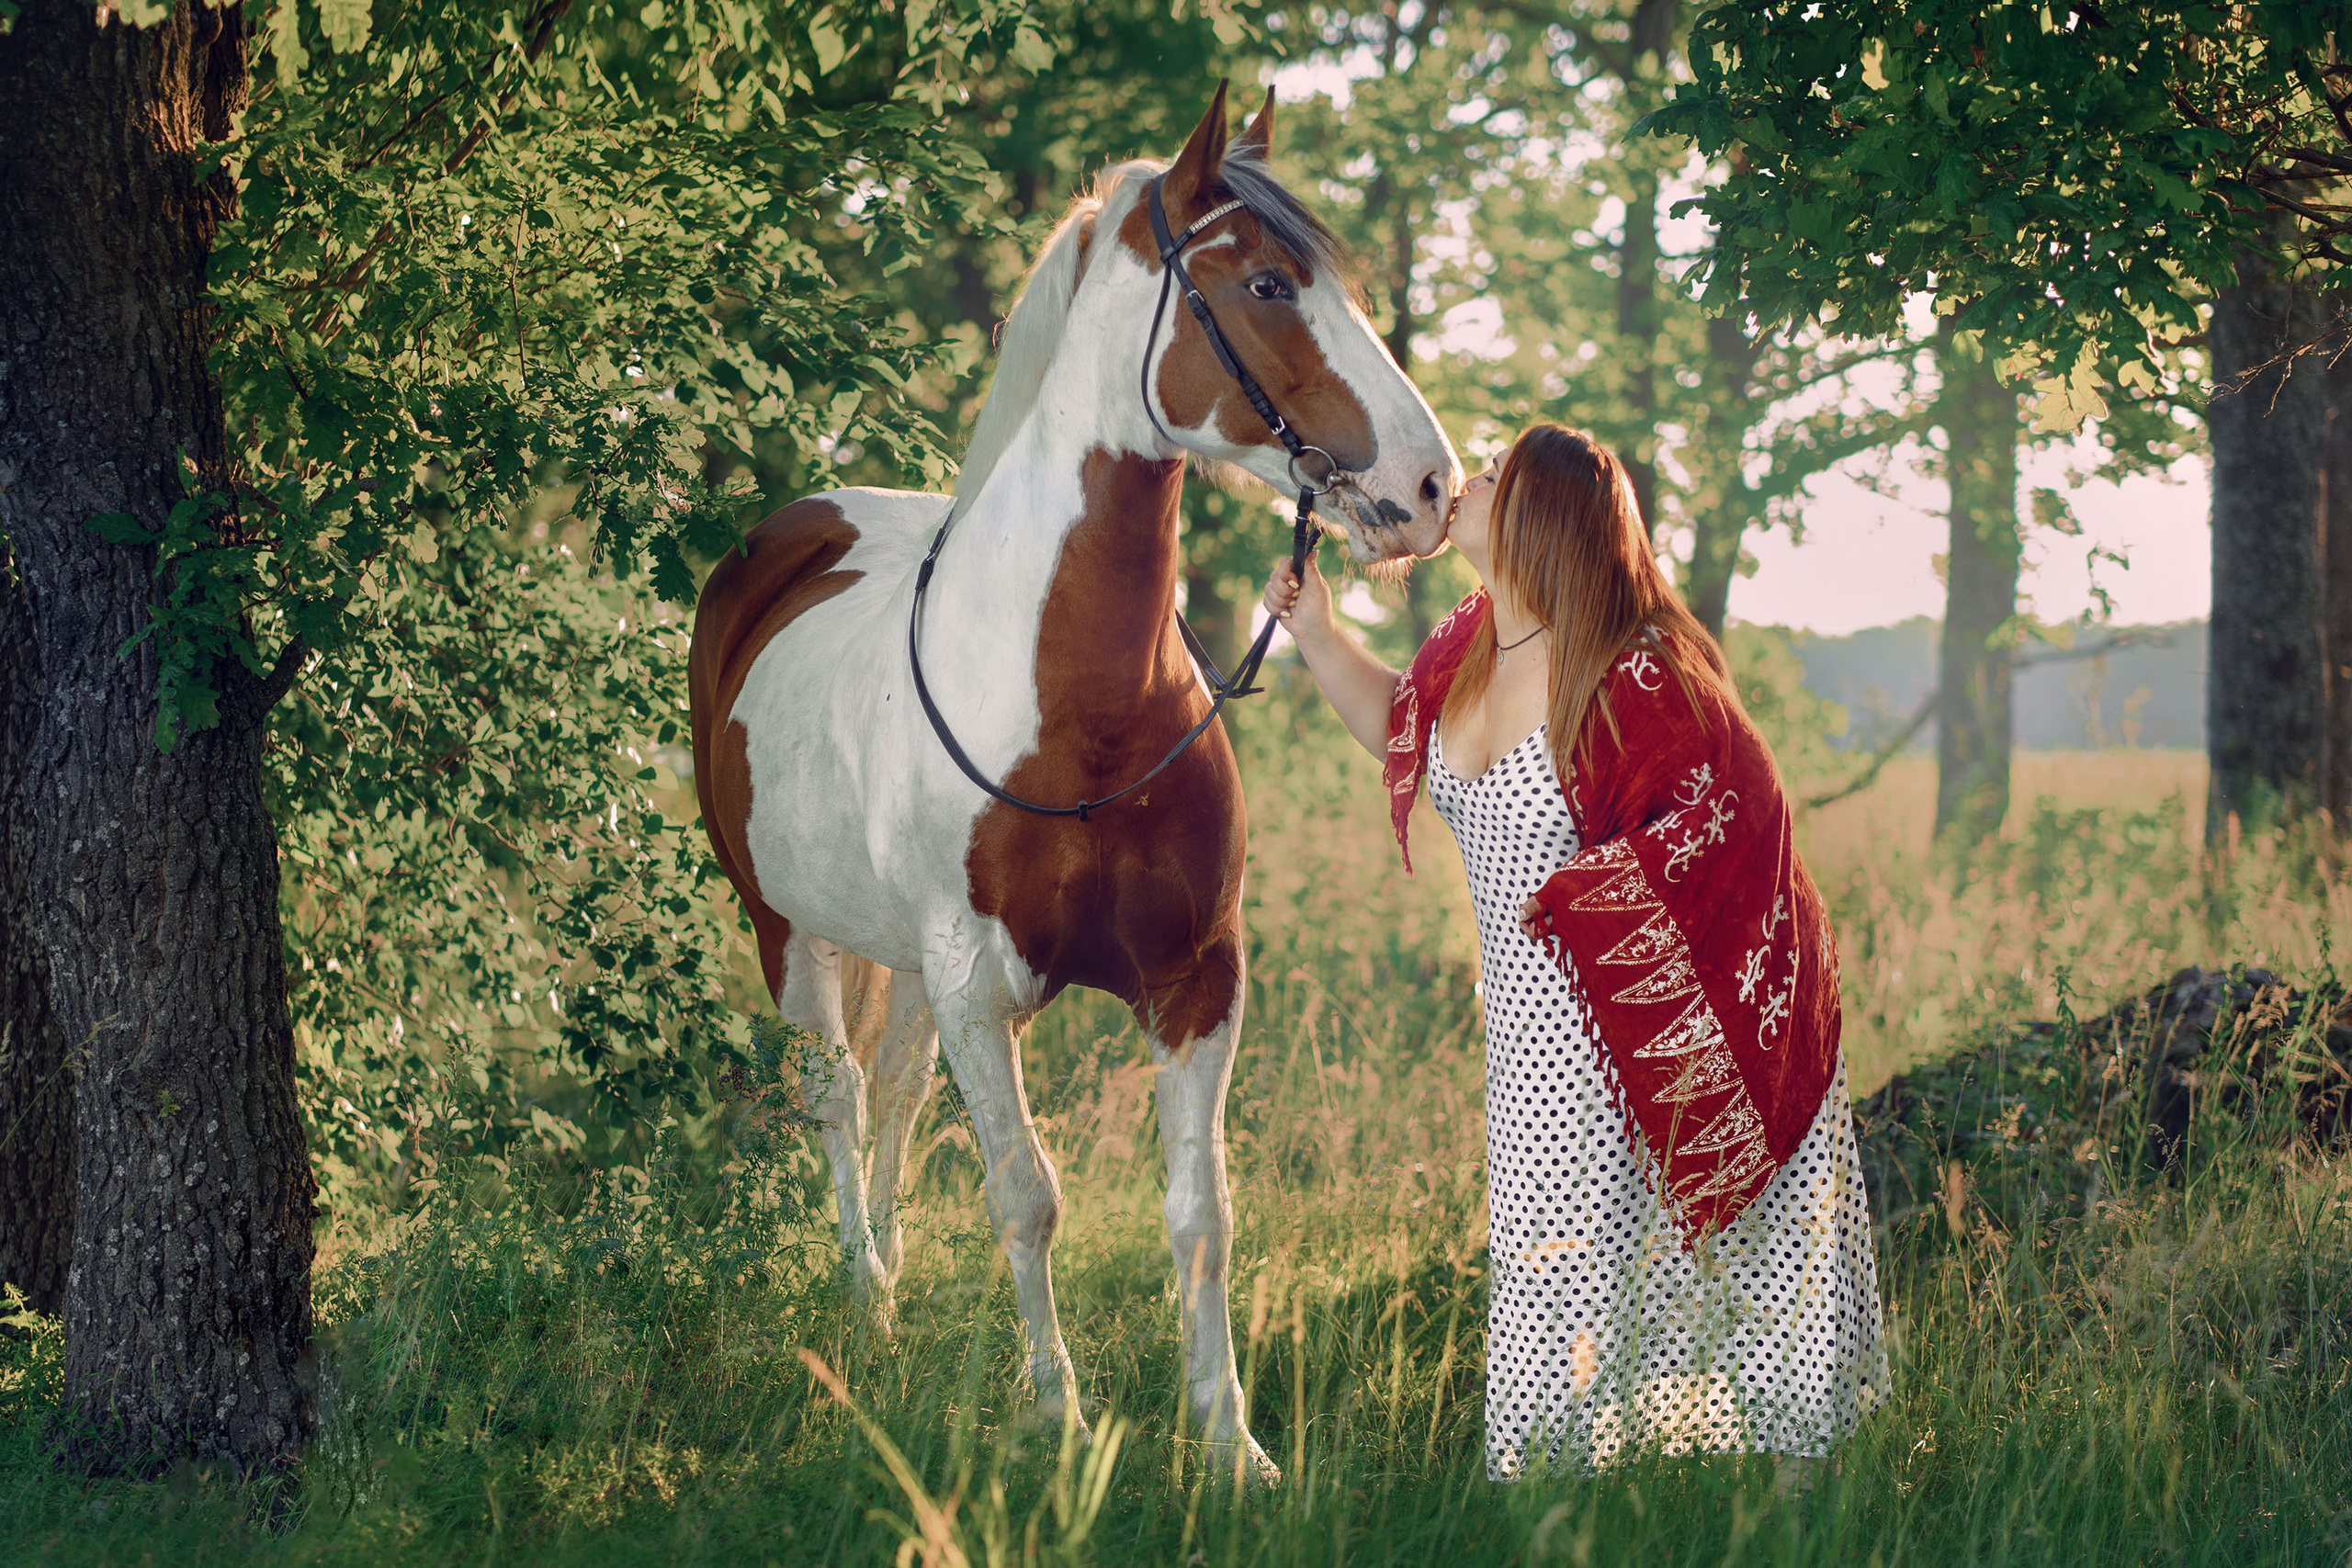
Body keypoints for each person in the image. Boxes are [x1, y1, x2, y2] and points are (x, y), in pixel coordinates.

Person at [1263, 423, 1886, 1482]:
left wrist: (1592, 896)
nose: (1466, 481)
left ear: (1542, 516)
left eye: (1492, 474)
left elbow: (1738, 815)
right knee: (1555, 1275)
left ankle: (1781, 1496)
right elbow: (1397, 727)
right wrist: (1316, 630)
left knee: (1719, 1275)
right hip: (1530, 1047)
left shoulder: (1631, 669)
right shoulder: (1467, 648)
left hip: (1636, 1039)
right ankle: (1564, 1498)